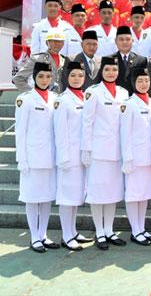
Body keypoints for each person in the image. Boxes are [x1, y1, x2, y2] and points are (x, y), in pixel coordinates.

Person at [81, 56, 128, 250]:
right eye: (107, 70)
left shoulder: (123, 93)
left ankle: (109, 230)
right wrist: (86, 149)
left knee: (112, 193)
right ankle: (99, 231)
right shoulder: (93, 92)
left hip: (117, 151)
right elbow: (87, 122)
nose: (111, 73)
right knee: (98, 193)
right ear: (102, 71)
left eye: (114, 70)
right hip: (98, 151)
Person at [15, 62, 59, 253]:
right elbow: (20, 131)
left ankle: (43, 234)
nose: (44, 80)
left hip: (50, 157)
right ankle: (34, 236)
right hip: (32, 157)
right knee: (32, 198)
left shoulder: (55, 98)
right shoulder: (25, 99)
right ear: (34, 78)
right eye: (40, 76)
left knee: (46, 198)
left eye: (48, 76)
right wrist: (21, 159)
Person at [53, 61, 92, 251]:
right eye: (73, 75)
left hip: (82, 155)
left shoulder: (85, 98)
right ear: (66, 77)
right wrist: (63, 157)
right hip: (68, 155)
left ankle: (73, 231)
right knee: (67, 197)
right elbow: (60, 131)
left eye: (80, 75)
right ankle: (66, 235)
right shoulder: (63, 100)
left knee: (76, 195)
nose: (77, 79)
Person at [120, 67, 151, 246]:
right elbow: (125, 133)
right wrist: (127, 158)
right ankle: (135, 231)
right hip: (135, 158)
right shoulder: (129, 104)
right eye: (140, 81)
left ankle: (142, 228)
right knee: (133, 195)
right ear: (133, 83)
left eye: (146, 80)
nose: (144, 84)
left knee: (144, 195)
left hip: (148, 158)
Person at [108, 26, 148, 95]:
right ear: (115, 41)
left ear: (132, 41)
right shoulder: (108, 60)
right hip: (115, 97)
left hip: (134, 98)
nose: (124, 42)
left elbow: (145, 81)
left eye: (128, 39)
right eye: (121, 39)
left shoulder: (141, 60)